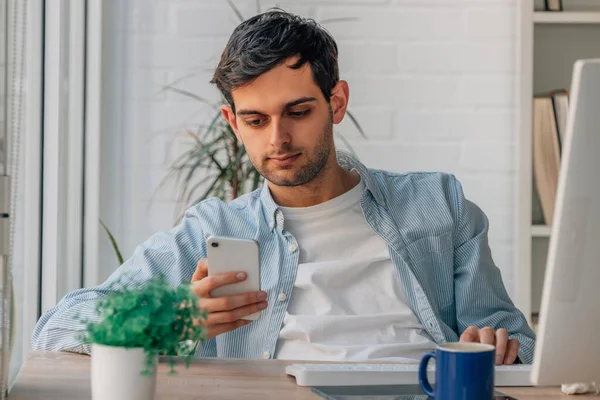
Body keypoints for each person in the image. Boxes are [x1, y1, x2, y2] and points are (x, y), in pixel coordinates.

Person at [32, 10, 535, 365]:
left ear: (336, 102)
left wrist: (499, 344)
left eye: (298, 112)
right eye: (255, 119)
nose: (278, 140)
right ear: (232, 121)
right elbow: (55, 328)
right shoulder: (215, 230)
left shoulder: (436, 204)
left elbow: (518, 341)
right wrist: (171, 318)